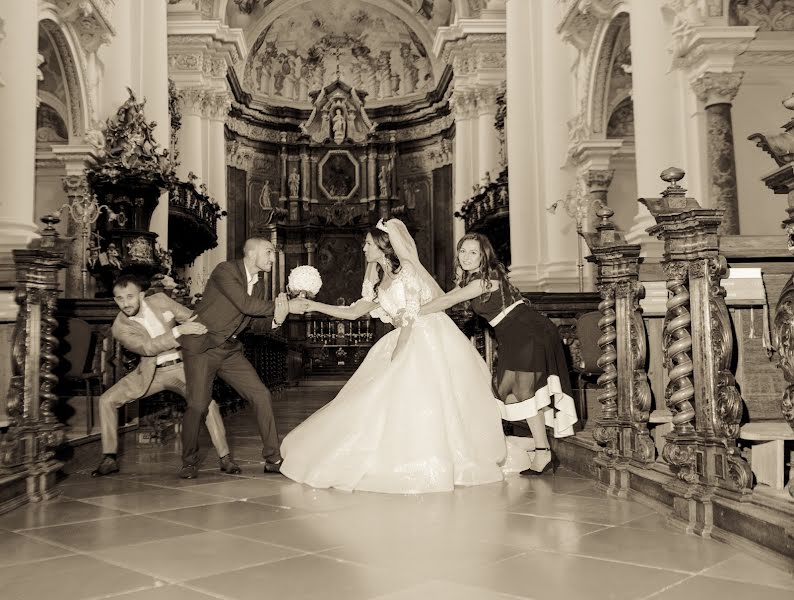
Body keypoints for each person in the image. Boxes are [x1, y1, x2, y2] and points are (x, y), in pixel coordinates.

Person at [282, 218, 530, 494]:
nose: (363, 248)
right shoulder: (375, 278)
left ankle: (437, 457)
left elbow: (412, 317)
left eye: (367, 243)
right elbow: (354, 312)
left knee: (425, 395)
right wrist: (312, 305)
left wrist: (398, 357)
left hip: (426, 336)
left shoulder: (408, 271)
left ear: (382, 245)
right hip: (403, 334)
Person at [419, 233, 578, 475]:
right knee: (514, 391)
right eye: (463, 251)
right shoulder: (472, 279)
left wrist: (412, 312)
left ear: (484, 256)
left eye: (473, 252)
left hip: (528, 331)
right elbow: (448, 296)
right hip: (514, 334)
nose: (466, 257)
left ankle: (542, 452)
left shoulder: (484, 280)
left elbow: (449, 301)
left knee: (521, 390)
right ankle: (541, 449)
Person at [92, 274, 240, 477]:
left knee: (208, 405)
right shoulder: (120, 327)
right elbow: (147, 347)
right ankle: (109, 458)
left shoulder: (161, 300)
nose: (125, 303)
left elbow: (191, 317)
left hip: (181, 368)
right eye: (119, 298)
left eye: (130, 296)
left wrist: (218, 332)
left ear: (141, 295)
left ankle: (225, 459)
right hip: (150, 373)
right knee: (106, 400)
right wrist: (179, 332)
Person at [178, 237, 299, 479]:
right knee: (198, 405)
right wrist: (284, 305)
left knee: (261, 395)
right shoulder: (226, 270)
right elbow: (246, 305)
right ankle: (189, 461)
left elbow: (255, 324)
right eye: (269, 252)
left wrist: (279, 318)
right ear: (251, 253)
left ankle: (273, 458)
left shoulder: (260, 286)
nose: (272, 258)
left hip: (229, 351)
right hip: (203, 347)